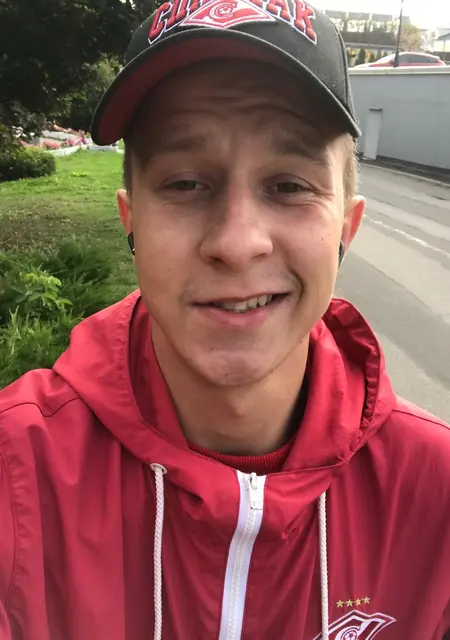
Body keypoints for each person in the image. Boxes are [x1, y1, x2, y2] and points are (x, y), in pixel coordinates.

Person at [1, 2, 450, 639]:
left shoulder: (436, 497)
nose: (237, 244)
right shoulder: (16, 476)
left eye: (289, 185)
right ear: (132, 222)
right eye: (186, 183)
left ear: (345, 230)